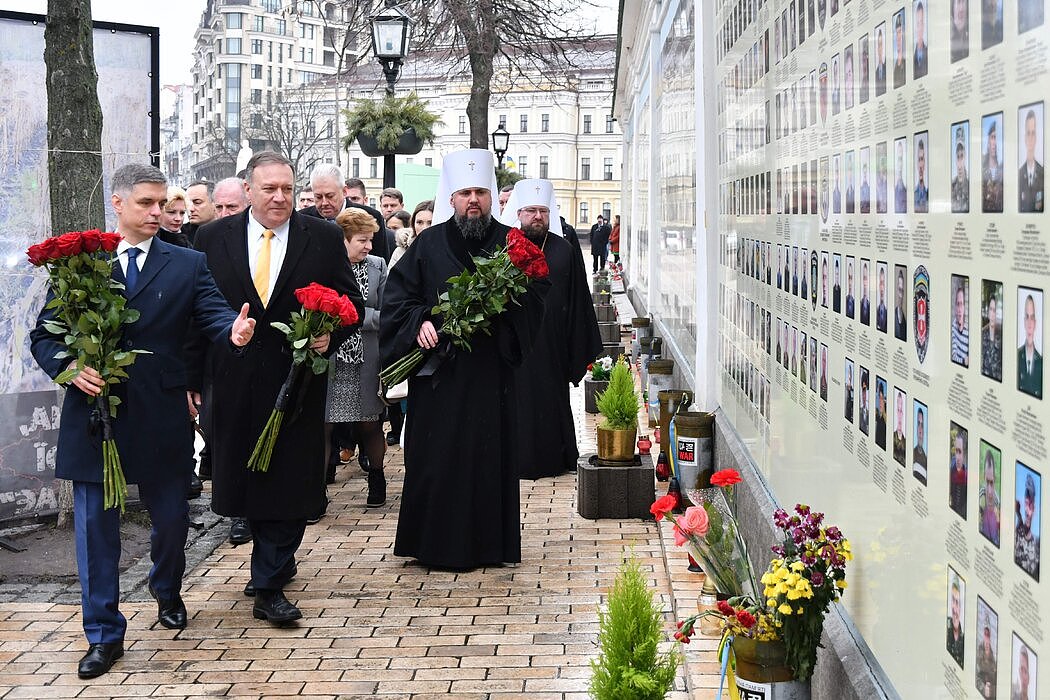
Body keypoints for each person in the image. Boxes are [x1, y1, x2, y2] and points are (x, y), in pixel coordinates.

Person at [30, 163, 256, 679]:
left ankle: (166, 587)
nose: (160, 213)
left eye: (163, 204)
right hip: (95, 417)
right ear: (118, 203)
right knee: (94, 532)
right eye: (147, 204)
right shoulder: (81, 265)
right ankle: (104, 634)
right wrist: (69, 368)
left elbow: (215, 314)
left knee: (173, 520)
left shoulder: (187, 262)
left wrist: (234, 332)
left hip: (161, 412)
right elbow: (45, 334)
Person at [188, 151, 363, 624]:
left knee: (290, 480)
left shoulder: (322, 236)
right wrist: (191, 380)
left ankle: (269, 582)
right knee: (243, 477)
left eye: (287, 188)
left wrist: (333, 333)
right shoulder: (211, 237)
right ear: (248, 191)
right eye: (269, 189)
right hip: (232, 380)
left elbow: (353, 303)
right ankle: (269, 563)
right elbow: (195, 313)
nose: (280, 197)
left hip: (298, 380)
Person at [380, 149, 549, 569]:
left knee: (487, 460)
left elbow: (535, 302)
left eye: (480, 192)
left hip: (490, 375)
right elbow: (398, 300)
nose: (473, 200)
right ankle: (434, 543)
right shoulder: (428, 244)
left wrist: (506, 309)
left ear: (491, 197)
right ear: (451, 198)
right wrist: (419, 321)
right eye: (465, 193)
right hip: (439, 376)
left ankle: (490, 544)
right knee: (437, 460)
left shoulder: (512, 245)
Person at [500, 179, 602, 479]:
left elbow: (579, 298)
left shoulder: (564, 249)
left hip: (552, 342)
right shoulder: (504, 247)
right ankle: (512, 459)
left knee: (550, 397)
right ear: (519, 212)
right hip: (514, 341)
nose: (537, 217)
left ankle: (555, 457)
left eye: (543, 211)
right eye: (531, 210)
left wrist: (578, 346)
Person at [327, 208, 388, 507]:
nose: (369, 246)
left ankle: (377, 480)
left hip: (367, 358)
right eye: (363, 240)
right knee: (324, 425)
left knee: (370, 424)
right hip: (332, 359)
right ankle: (317, 489)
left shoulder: (378, 266)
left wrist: (355, 317)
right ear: (345, 239)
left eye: (371, 240)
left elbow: (389, 312)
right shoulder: (327, 265)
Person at [301, 164, 392, 262]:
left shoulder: (371, 216)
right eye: (318, 197)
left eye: (330, 196)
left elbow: (380, 265)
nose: (324, 203)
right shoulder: (303, 219)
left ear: (344, 191)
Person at [1014, 473, 1041, 579]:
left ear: (1034, 508)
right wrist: (1018, 514)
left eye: (1031, 505)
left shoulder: (1038, 543)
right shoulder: (1018, 533)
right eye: (1026, 503)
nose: (1028, 510)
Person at [1018, 108, 1044, 213]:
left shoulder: (1043, 173)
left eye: (1033, 133)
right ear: (1024, 137)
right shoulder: (1019, 174)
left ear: (1036, 137)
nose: (1030, 138)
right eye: (1028, 133)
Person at [1018, 293, 1043, 398]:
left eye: (1032, 318)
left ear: (1035, 323)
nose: (1029, 324)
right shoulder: (1016, 357)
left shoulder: (1041, 362)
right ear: (1024, 321)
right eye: (1027, 317)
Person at [183, 180, 216, 245]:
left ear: (215, 203)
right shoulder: (179, 234)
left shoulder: (233, 231)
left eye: (197, 202)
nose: (190, 209)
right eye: (187, 204)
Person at [979, 450, 1000, 545]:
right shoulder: (979, 498)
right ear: (984, 478)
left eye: (991, 482)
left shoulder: (998, 503)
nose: (990, 491)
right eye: (987, 482)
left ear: (995, 479)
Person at [983, 120, 1004, 213]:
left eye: (997, 138)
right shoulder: (981, 170)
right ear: (988, 141)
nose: (994, 143)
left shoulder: (1004, 170)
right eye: (993, 137)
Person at [982, 291, 1002, 380]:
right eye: (991, 309)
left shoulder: (1002, 337)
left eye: (995, 310)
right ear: (988, 312)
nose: (993, 314)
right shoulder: (982, 334)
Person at [946, 577, 964, 666]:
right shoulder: (945, 628)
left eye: (957, 601)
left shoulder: (965, 641)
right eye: (953, 600)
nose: (954, 607)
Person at [950, 429, 968, 518]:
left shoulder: (968, 478)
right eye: (956, 451)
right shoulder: (951, 469)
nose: (957, 457)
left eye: (960, 452)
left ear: (965, 453)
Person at [976, 623, 997, 698]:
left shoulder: (993, 652)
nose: (986, 636)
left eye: (988, 634)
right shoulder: (979, 649)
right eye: (985, 633)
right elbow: (976, 675)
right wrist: (983, 688)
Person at [951, 284, 970, 366]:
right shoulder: (953, 326)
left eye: (961, 304)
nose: (959, 309)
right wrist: (964, 361)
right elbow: (953, 356)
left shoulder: (969, 332)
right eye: (957, 304)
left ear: (965, 307)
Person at [952, 132, 970, 213]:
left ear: (965, 156)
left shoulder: (970, 185)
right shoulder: (952, 186)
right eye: (957, 157)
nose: (959, 164)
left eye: (961, 156)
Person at [913, 406, 927, 484]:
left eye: (922, 425)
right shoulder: (912, 454)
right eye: (918, 424)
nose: (920, 430)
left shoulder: (927, 459)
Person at [913, 1, 928, 78]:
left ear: (924, 25)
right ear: (915, 27)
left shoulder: (928, 53)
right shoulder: (911, 59)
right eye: (918, 24)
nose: (919, 28)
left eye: (921, 23)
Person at [892, 13, 906, 88]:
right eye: (897, 33)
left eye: (900, 32)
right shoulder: (895, 68)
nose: (898, 37)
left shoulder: (908, 62)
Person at [892, 391, 906, 464]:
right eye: (898, 410)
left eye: (901, 410)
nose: (900, 413)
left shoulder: (906, 442)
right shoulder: (891, 438)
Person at [894, 267, 907, 341]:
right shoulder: (891, 316)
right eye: (899, 290)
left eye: (902, 291)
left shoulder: (905, 321)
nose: (900, 295)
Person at [874, 25, 887, 96]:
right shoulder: (875, 74)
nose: (880, 48)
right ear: (877, 48)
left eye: (881, 44)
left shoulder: (888, 69)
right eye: (879, 45)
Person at [875, 380, 887, 448]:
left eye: (882, 399)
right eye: (879, 398)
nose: (880, 402)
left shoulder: (885, 420)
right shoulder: (877, 416)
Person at [876, 265, 888, 332]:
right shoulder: (874, 310)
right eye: (880, 283)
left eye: (883, 283)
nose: (882, 287)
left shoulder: (889, 312)